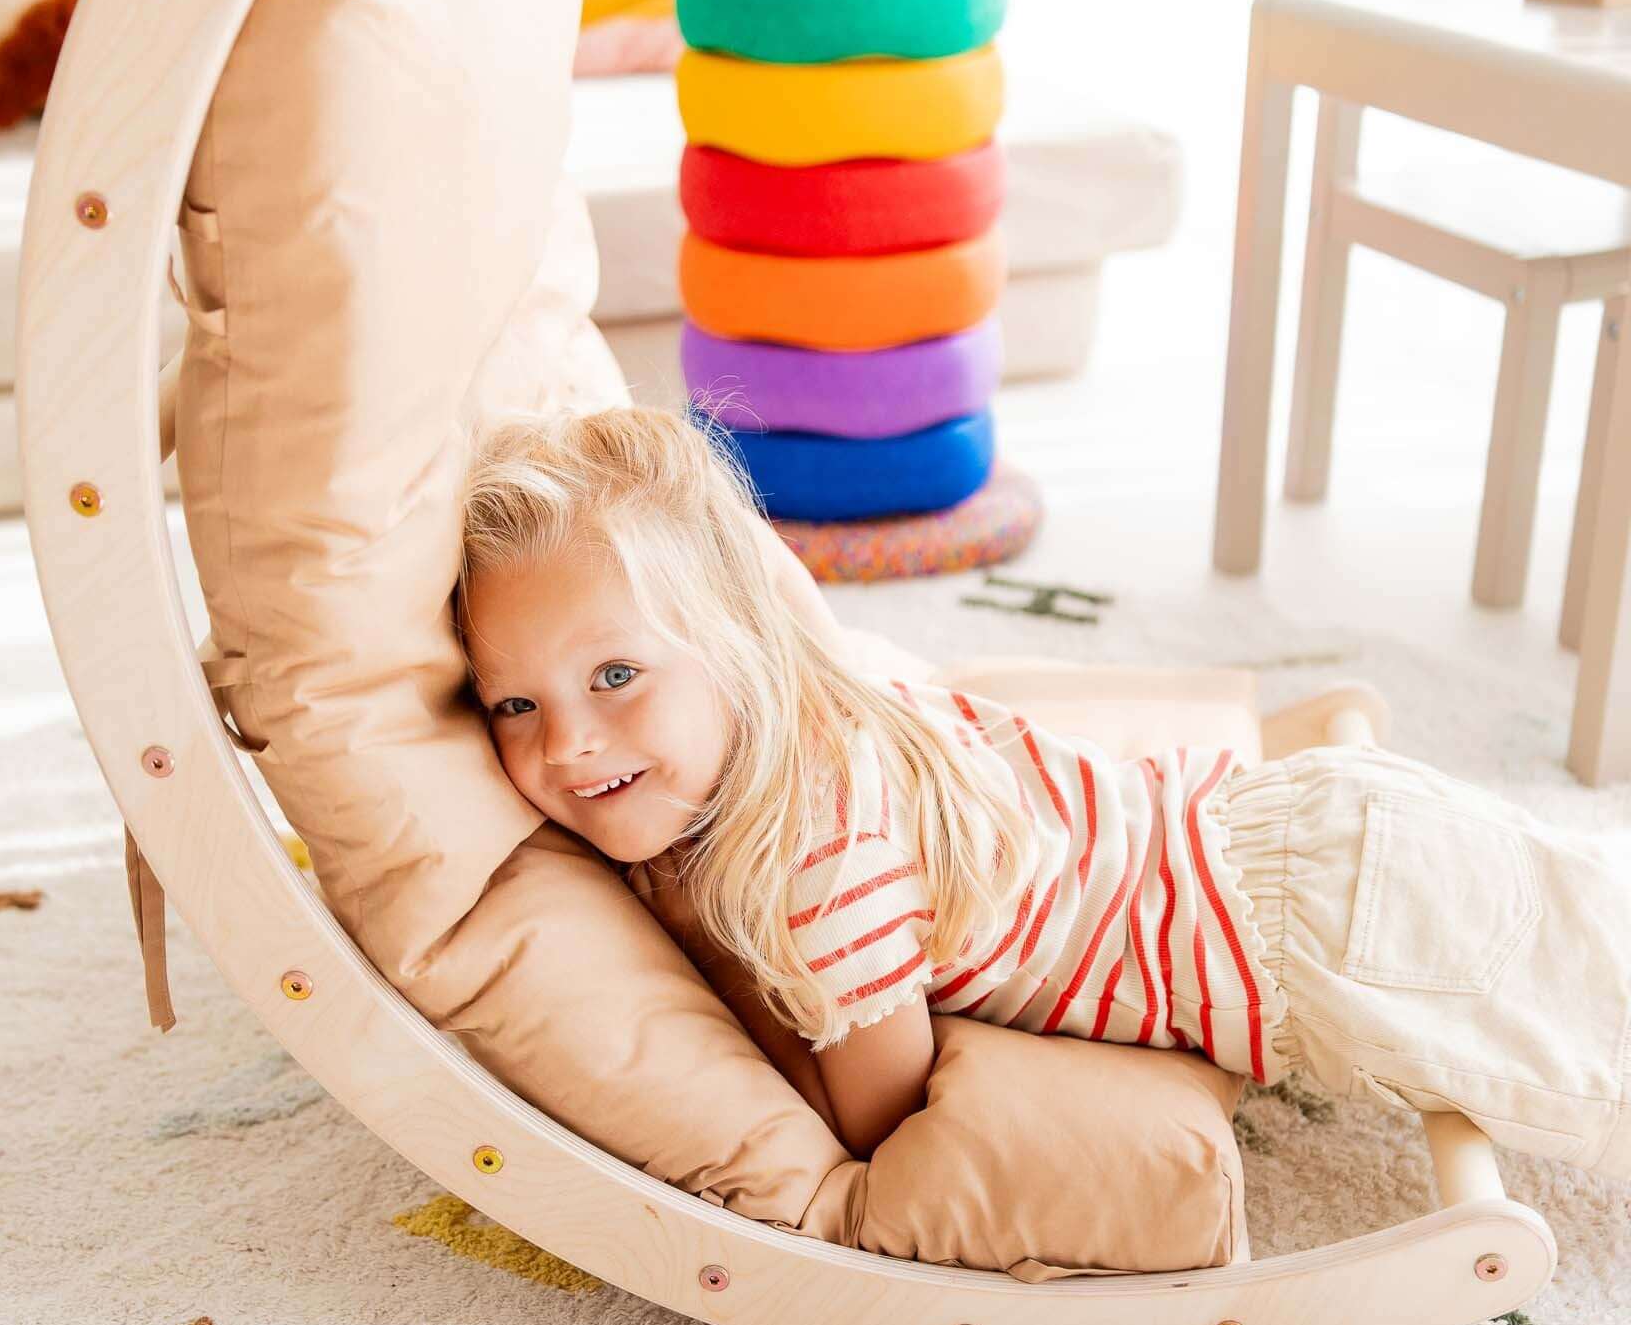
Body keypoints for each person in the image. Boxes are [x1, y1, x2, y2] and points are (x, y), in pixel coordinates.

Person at [456, 404, 1631, 1176]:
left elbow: (878, 1126)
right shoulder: (818, 685)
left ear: (732, 646)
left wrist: (741, 987)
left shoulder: (817, 876)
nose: (566, 744)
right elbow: (752, 561)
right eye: (514, 704)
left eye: (616, 674)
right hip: (1304, 822)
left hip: (1321, 942)